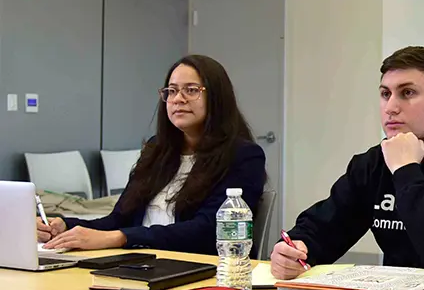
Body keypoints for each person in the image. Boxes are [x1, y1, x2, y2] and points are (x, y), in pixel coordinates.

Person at [270, 46, 424, 279]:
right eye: (385, 94)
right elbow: (328, 224)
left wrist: (406, 172)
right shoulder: (376, 162)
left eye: (407, 93)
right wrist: (298, 248)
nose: (390, 107)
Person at [37, 55, 266, 254]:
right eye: (172, 91)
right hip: (142, 262)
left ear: (217, 98)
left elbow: (207, 230)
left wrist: (122, 238)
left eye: (192, 90)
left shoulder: (243, 156)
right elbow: (120, 219)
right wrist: (65, 226)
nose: (178, 99)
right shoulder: (157, 150)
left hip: (197, 270)